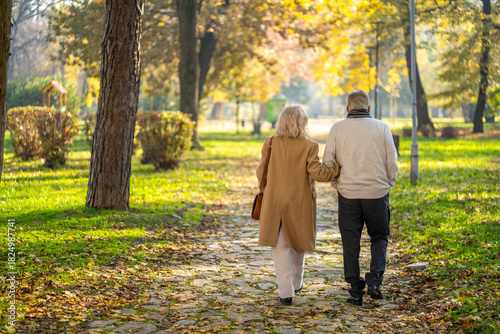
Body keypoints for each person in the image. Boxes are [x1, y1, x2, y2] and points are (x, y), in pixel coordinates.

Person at [256, 105, 341, 306]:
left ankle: (286, 292)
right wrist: (337, 168)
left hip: (274, 201)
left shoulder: (269, 143)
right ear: (302, 123)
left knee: (280, 246)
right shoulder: (309, 146)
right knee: (298, 242)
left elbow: (261, 173)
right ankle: (297, 282)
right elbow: (318, 174)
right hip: (299, 202)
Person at [322, 89, 398, 306]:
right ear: (369, 108)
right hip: (377, 193)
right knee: (379, 237)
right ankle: (374, 283)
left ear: (347, 108)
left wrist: (338, 184)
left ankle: (355, 289)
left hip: (348, 194)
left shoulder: (337, 128)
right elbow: (391, 160)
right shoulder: (382, 127)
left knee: (350, 241)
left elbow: (328, 162)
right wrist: (388, 183)